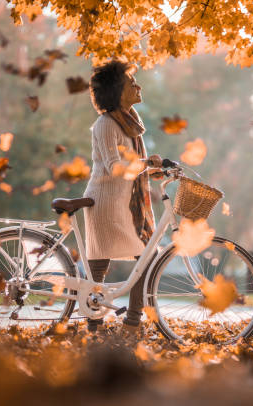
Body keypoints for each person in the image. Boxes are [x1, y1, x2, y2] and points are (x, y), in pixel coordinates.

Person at [83, 60, 162, 332]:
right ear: (118, 90)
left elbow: (131, 167)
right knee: (103, 265)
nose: (138, 86)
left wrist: (150, 169)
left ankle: (121, 322)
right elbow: (115, 166)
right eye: (131, 83)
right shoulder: (106, 124)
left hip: (122, 203)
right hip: (105, 203)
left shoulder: (129, 124)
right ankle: (118, 323)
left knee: (140, 258)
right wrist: (146, 164)